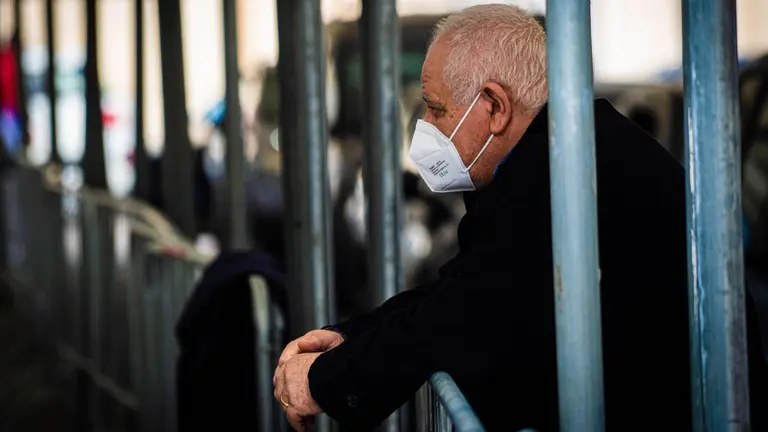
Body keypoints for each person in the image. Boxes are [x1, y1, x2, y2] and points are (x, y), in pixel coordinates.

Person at [273, 4, 768, 431]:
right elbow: (461, 288)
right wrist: (350, 338)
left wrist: (324, 380)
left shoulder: (567, 176)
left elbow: (465, 317)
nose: (424, 127)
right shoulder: (563, 153)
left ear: (494, 106)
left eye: (435, 108)